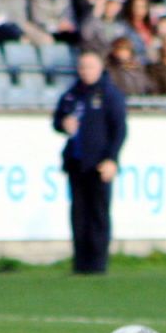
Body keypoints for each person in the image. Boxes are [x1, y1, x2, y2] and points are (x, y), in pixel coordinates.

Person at [52, 50, 126, 274]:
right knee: (79, 214)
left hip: (99, 164)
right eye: (82, 67)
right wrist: (63, 123)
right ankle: (80, 263)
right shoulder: (72, 94)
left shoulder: (109, 94)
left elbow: (119, 129)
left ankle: (97, 264)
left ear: (100, 68)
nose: (85, 71)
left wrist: (111, 159)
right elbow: (57, 119)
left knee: (98, 215)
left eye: (90, 67)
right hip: (76, 162)